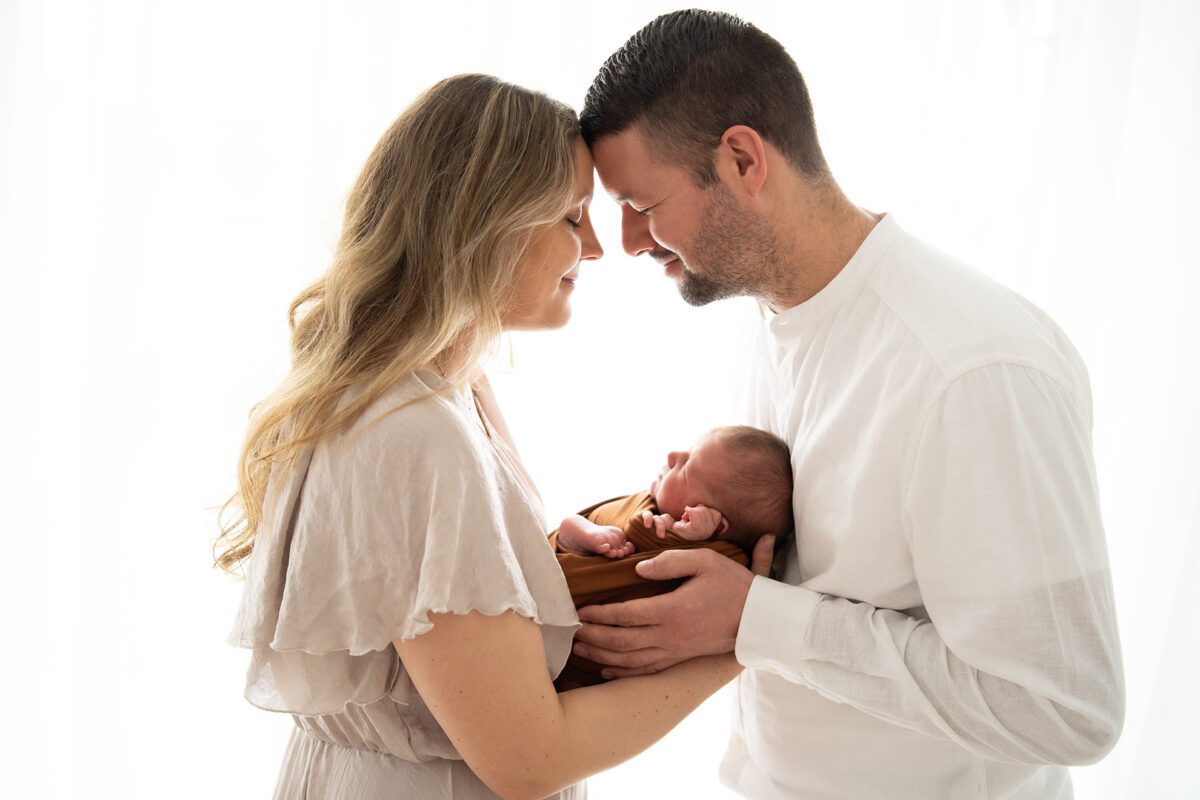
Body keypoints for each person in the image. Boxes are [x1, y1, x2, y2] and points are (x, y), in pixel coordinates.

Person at [573, 10, 1125, 799]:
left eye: (643, 205)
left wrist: (758, 621)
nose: (627, 241)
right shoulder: (770, 323)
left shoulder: (972, 370)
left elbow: (1065, 708)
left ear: (740, 160)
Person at [217, 73, 775, 800]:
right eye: (572, 218)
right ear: (483, 225)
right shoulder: (413, 431)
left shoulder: (441, 391)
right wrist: (737, 638)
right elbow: (528, 758)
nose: (598, 250)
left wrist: (538, 567)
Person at [552, 424, 793, 690]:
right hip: (566, 596)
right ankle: (575, 534)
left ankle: (574, 535)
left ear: (713, 523)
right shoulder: (656, 506)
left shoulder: (724, 562)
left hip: (576, 621)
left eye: (687, 468)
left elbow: (649, 549)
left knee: (635, 530)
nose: (672, 456)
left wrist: (686, 535)